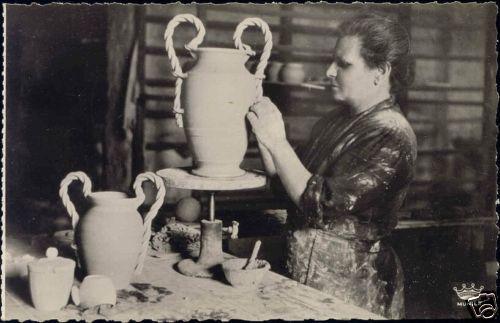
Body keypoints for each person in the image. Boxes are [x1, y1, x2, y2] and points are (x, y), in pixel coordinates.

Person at [247, 13, 417, 319]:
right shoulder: (335, 121)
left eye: (344, 64)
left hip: (353, 290)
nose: (329, 71)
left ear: (380, 71)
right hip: (306, 276)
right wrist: (263, 134)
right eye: (332, 61)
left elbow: (319, 203)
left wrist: (277, 141)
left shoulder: (391, 133)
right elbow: (286, 186)